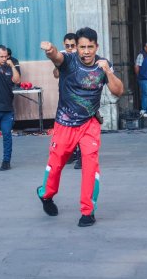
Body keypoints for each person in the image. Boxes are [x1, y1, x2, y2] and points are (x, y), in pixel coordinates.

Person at [36, 27, 124, 227]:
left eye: (89, 47)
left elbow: (118, 91)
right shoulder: (69, 61)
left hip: (89, 124)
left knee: (90, 167)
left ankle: (87, 211)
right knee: (56, 164)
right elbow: (56, 57)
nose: (85, 51)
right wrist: (50, 50)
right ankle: (46, 195)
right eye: (82, 47)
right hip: (64, 124)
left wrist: (108, 72)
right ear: (76, 48)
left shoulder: (103, 65)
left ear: (96, 47)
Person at [53, 33, 82, 169]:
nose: (70, 48)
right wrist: (59, 64)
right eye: (67, 46)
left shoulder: (81, 56)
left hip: (80, 97)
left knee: (80, 127)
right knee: (69, 127)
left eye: (72, 45)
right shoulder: (63, 56)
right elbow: (55, 74)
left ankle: (82, 156)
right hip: (66, 97)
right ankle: (72, 153)